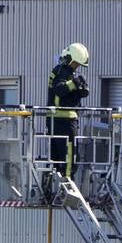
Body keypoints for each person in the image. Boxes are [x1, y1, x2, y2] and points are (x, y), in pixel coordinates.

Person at [46, 42, 90, 176]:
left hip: (58, 120)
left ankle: (55, 184)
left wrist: (82, 90)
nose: (76, 66)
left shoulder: (64, 71)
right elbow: (60, 89)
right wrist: (76, 83)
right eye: (76, 63)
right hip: (64, 121)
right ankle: (67, 184)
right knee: (68, 157)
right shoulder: (61, 71)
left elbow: (73, 92)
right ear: (70, 59)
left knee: (59, 158)